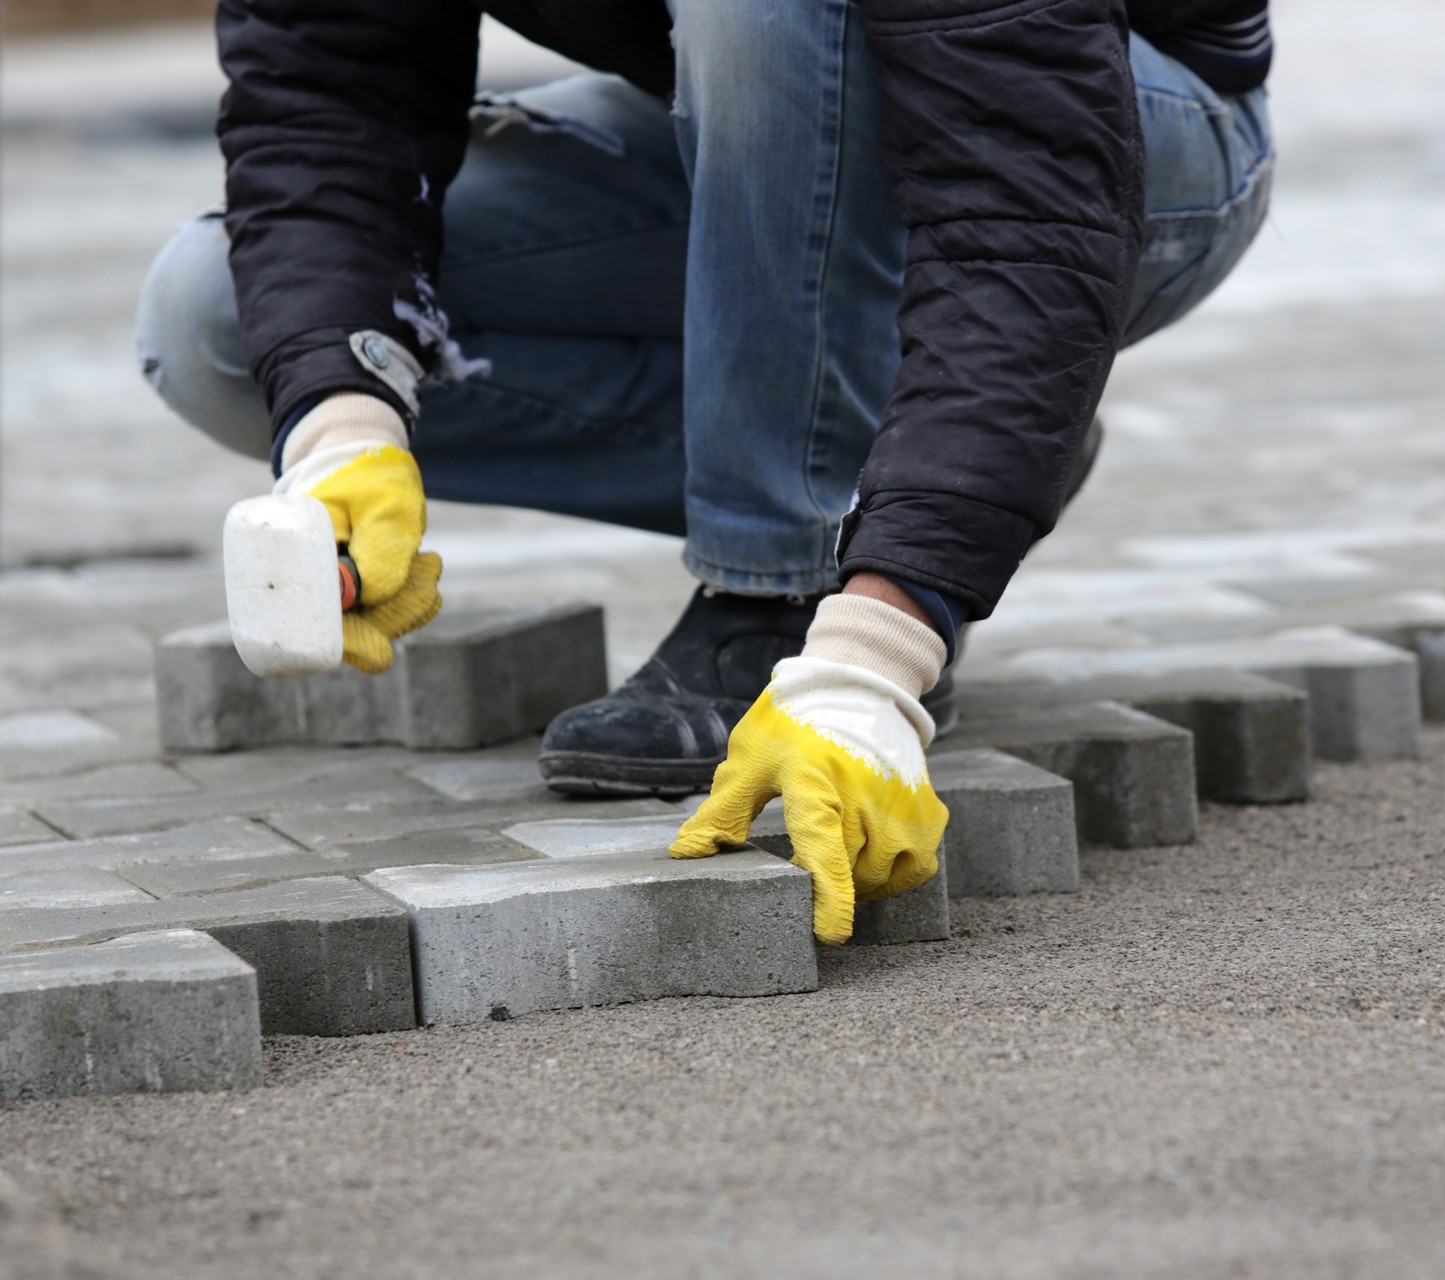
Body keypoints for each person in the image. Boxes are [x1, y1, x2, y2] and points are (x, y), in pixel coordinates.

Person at [136, 0, 1273, 943]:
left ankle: (786, 578)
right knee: (222, 324)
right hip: (775, 104)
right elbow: (331, 95)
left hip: (1125, 136)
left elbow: (1027, 200)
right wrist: (344, 426)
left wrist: (883, 641)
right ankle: (931, 447)